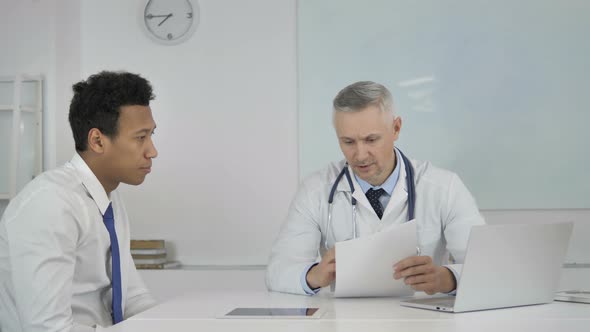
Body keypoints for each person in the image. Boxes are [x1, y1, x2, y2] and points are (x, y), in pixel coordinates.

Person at [266, 81, 485, 296]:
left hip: (423, 321)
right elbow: (277, 272)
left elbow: (486, 267)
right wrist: (313, 275)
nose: (360, 155)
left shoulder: (444, 188)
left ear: (396, 128)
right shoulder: (315, 191)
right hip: (344, 322)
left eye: (371, 140)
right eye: (348, 142)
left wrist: (447, 279)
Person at [0, 71, 159, 331]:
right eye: (141, 138)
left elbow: (133, 298)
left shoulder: (108, 199)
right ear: (97, 140)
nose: (152, 151)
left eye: (152, 135)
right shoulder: (50, 204)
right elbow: (47, 327)